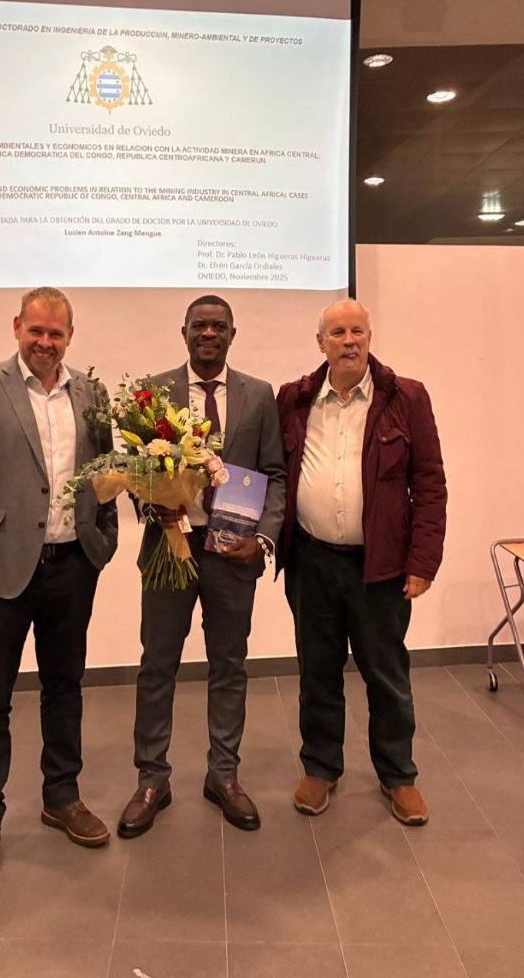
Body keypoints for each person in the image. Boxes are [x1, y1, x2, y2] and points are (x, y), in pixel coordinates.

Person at [0, 286, 118, 885]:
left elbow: (106, 476)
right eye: (36, 331)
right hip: (0, 573)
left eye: (55, 333)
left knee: (65, 686)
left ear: (71, 336)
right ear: (17, 326)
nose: (45, 342)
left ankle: (61, 796)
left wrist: (103, 543)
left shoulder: (91, 394)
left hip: (72, 567)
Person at [117, 296, 286, 838]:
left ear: (233, 333)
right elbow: (134, 472)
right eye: (199, 325)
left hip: (232, 555)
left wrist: (263, 539)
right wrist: (152, 503)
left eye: (218, 326)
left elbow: (275, 475)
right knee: (157, 665)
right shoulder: (153, 392)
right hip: (169, 548)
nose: (208, 333)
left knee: (229, 666)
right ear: (184, 332)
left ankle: (224, 775)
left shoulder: (258, 394)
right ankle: (152, 779)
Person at [277, 298, 447, 827]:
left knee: (387, 674)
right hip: (311, 562)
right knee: (317, 672)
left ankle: (398, 775)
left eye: (357, 331)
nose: (349, 341)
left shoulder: (406, 397)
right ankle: (320, 767)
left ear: (370, 337)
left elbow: (430, 485)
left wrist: (423, 561)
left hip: (381, 568)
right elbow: (276, 474)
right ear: (320, 342)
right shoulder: (295, 399)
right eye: (337, 333)